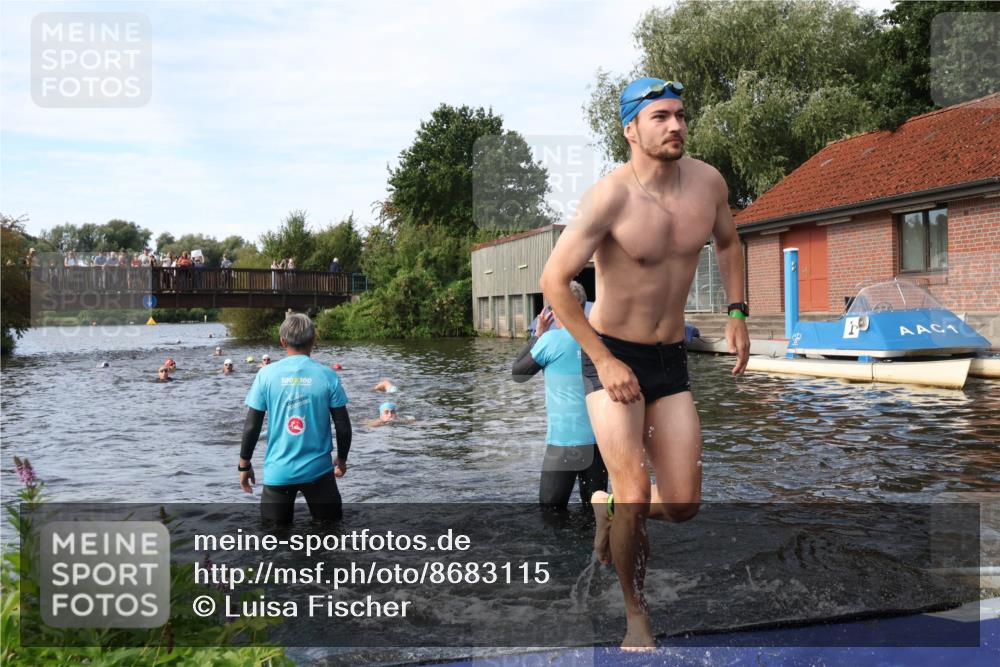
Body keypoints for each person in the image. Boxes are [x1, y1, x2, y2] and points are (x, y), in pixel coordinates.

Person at [538, 77, 749, 650]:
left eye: (680, 115)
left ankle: (605, 506)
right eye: (661, 117)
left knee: (682, 504)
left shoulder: (708, 183)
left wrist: (736, 313)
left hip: (669, 357)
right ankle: (637, 616)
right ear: (631, 128)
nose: (676, 125)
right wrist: (602, 360)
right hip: (613, 354)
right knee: (634, 484)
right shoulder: (611, 197)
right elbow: (554, 282)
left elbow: (729, 244)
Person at [239, 313, 353, 523]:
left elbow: (252, 425)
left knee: (274, 541)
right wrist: (342, 459)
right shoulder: (328, 376)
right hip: (319, 471)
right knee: (330, 535)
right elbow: (343, 426)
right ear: (314, 340)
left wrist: (244, 465)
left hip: (278, 472)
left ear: (282, 341)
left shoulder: (266, 375)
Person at [512, 281, 608, 511]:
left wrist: (538, 335)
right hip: (600, 443)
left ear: (559, 309)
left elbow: (518, 373)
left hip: (564, 444)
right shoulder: (601, 341)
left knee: (550, 516)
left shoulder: (550, 341)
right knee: (596, 516)